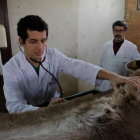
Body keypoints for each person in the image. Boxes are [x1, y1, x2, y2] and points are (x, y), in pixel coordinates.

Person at [3, 16, 140, 114]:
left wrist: (111, 76)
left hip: (53, 103)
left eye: (43, 40)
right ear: (21, 41)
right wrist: (44, 110)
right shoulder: (11, 68)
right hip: (28, 112)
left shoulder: (53, 55)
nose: (40, 47)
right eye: (33, 41)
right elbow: (15, 107)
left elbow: (77, 66)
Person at [98, 20, 140, 92]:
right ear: (113, 31)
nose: (118, 33)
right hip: (105, 84)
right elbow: (101, 64)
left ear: (124, 32)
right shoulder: (107, 45)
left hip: (121, 85)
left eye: (121, 31)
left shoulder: (131, 47)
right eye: (116, 30)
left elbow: (138, 65)